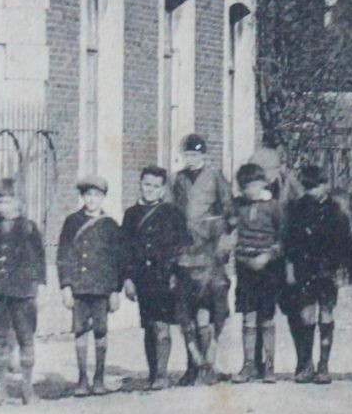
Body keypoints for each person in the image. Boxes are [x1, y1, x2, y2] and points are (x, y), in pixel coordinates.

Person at [0, 182, 46, 406]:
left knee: (26, 339)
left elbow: (39, 260)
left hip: (23, 293)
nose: (2, 205)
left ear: (18, 202)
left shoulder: (29, 228)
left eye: (6, 200)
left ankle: (27, 388)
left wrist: (41, 286)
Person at [281, 163, 351, 383]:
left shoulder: (336, 210)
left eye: (317, 187)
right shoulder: (298, 209)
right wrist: (291, 268)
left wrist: (340, 270)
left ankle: (323, 365)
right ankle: (306, 364)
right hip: (305, 268)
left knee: (326, 313)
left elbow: (343, 243)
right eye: (308, 187)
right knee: (306, 314)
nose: (313, 192)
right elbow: (290, 241)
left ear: (326, 185)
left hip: (327, 269)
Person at [170, 135, 232, 385]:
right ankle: (192, 366)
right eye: (188, 156)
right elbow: (173, 212)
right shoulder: (178, 180)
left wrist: (223, 238)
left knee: (212, 307)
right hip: (185, 251)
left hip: (210, 252)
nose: (192, 160)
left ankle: (209, 364)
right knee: (187, 308)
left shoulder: (215, 177)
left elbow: (229, 211)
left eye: (196, 156)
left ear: (204, 156)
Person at [57, 175, 125, 396]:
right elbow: (63, 255)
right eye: (87, 195)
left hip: (101, 289)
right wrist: (65, 286)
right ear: (82, 197)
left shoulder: (110, 225)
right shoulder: (71, 222)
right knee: (79, 331)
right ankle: (82, 380)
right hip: (78, 287)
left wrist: (115, 290)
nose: (91, 199)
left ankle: (99, 379)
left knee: (101, 331)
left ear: (103, 197)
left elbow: (118, 260)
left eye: (96, 195)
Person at [122, 165, 183, 390]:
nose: (150, 189)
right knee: (148, 325)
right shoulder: (131, 215)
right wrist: (127, 279)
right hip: (142, 278)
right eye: (147, 184)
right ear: (140, 184)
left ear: (163, 189)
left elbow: (181, 246)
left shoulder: (172, 213)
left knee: (162, 325)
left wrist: (176, 274)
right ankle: (152, 373)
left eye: (156, 186)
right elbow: (124, 249)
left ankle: (162, 374)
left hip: (165, 278)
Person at [232, 161, 287, 383]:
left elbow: (283, 239)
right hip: (245, 267)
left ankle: (269, 365)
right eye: (246, 187)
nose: (251, 191)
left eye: (255, 185)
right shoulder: (239, 206)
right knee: (248, 316)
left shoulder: (274, 207)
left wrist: (267, 256)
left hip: (267, 268)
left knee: (267, 317)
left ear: (264, 183)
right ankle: (248, 365)